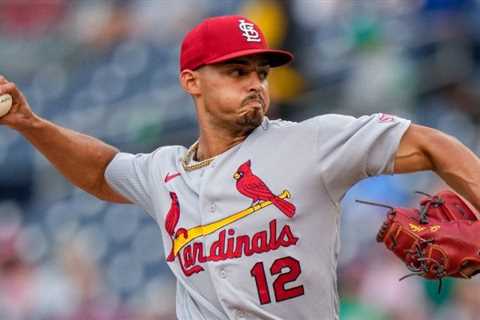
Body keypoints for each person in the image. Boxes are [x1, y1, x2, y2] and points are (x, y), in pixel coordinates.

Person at [0, 15, 479, 320]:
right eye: (237, 71)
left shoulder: (310, 141)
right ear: (192, 81)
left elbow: (435, 145)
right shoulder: (163, 172)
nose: (255, 84)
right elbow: (101, 172)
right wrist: (28, 122)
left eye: (261, 72)